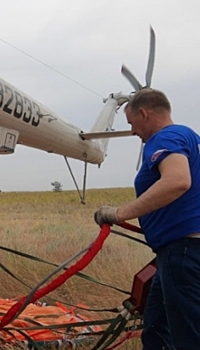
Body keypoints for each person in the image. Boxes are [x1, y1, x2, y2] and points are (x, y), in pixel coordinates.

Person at [94, 89, 200, 349]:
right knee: (155, 328)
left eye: (131, 124)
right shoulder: (190, 137)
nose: (132, 132)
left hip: (183, 253)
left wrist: (119, 213)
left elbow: (177, 181)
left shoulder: (164, 138)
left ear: (144, 113)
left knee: (187, 337)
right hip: (178, 252)